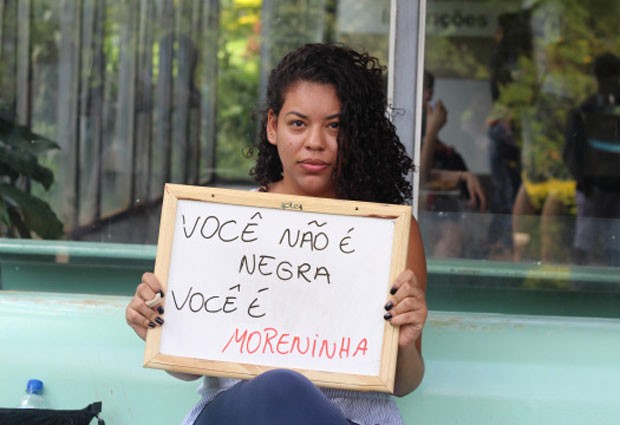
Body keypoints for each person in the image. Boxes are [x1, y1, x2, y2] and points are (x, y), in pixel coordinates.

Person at [125, 43, 428, 425]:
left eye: (335, 126)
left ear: (357, 134)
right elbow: (187, 369)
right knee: (277, 388)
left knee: (282, 389)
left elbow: (403, 383)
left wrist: (405, 344)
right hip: (237, 413)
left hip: (349, 418)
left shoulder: (389, 233)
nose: (315, 142)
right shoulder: (220, 224)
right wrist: (156, 327)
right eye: (298, 123)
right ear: (272, 126)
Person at [419, 69, 487, 257]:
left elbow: (426, 174)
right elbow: (418, 177)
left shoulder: (448, 152)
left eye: (429, 91)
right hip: (422, 218)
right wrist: (431, 133)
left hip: (439, 218)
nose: (427, 97)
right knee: (451, 234)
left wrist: (463, 176)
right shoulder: (401, 131)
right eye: (422, 90)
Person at [564, 52, 620, 265]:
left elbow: (571, 151)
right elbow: (572, 150)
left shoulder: (585, 109)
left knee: (592, 246)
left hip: (597, 188)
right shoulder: (585, 110)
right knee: (590, 246)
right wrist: (584, 180)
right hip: (592, 188)